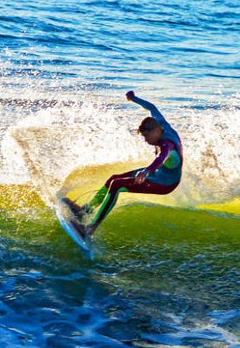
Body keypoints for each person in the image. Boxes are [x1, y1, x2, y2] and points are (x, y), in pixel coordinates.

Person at [64, 91, 183, 238]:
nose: (146, 140)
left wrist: (146, 171)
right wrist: (134, 98)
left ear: (157, 131)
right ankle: (85, 211)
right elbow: (152, 107)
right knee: (113, 178)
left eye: (147, 136)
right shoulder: (161, 125)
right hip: (156, 174)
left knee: (117, 185)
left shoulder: (167, 145)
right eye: (144, 136)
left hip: (165, 183)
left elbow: (161, 158)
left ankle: (89, 228)